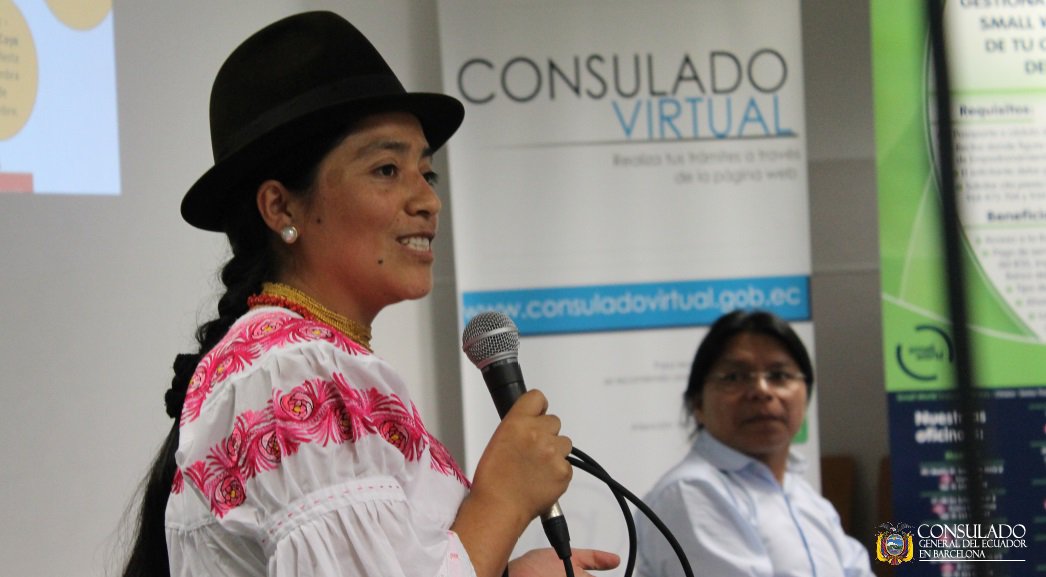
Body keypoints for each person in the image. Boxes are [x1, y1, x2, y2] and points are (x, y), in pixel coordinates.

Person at [120, 11, 619, 577]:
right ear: (280, 208)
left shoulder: (290, 360)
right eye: (386, 169)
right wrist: (501, 500)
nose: (427, 200)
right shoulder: (293, 374)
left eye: (426, 173)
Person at [635, 310, 873, 577]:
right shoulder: (691, 492)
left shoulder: (807, 498)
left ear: (805, 396)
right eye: (734, 377)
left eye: (779, 375)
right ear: (697, 403)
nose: (761, 390)